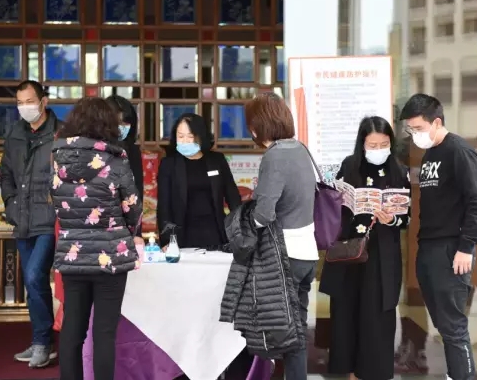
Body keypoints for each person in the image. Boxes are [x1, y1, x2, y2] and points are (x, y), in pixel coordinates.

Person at [51, 97, 142, 380]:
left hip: (72, 254)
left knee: (73, 330)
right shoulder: (116, 159)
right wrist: (123, 229)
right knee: (104, 332)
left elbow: (54, 202)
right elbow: (132, 206)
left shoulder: (58, 159)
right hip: (111, 255)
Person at [399, 93, 477, 380]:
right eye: (410, 130)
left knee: (454, 327)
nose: (414, 135)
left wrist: (466, 247)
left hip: (452, 250)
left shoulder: (458, 151)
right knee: (445, 326)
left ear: (436, 122)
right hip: (429, 249)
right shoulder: (430, 154)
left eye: (418, 128)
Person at [319, 116, 410, 380]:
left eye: (384, 144)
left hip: (381, 253)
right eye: (373, 144)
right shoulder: (349, 166)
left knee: (376, 313)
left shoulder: (398, 171)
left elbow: (406, 217)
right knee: (347, 311)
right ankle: (350, 373)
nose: (379, 149)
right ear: (362, 144)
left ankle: (374, 372)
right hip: (350, 251)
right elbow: (332, 203)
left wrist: (391, 218)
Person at [245, 92, 318, 380]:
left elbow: (263, 214)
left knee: (266, 336)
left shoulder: (275, 155)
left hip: (283, 257)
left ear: (258, 125)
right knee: (295, 337)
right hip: (306, 255)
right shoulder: (301, 149)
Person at [0, 80, 61, 368]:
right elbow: (5, 173)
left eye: (30, 101)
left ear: (44, 101)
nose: (25, 107)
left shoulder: (60, 133)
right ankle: (43, 340)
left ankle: (43, 342)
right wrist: (10, 202)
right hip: (21, 218)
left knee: (36, 276)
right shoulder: (14, 133)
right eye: (20, 102)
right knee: (33, 282)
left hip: (49, 219)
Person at [156, 113, 241, 250]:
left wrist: (240, 233)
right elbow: (164, 206)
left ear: (201, 136)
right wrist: (166, 240)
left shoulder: (217, 161)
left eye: (190, 136)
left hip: (216, 232)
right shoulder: (169, 164)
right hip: (182, 235)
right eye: (180, 136)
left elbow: (233, 197)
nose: (185, 141)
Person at [105, 95, 144, 203]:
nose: (121, 127)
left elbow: (137, 189)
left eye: (125, 123)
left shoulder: (133, 151)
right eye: (116, 123)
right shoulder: (94, 148)